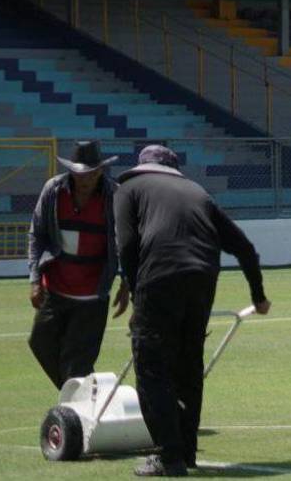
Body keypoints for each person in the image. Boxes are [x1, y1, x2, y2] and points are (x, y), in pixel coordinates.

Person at [115, 145, 271, 477]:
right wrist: (258, 296)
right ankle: (186, 453)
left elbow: (126, 244)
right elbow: (244, 248)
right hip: (202, 280)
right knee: (188, 367)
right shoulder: (198, 192)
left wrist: (135, 290)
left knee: (151, 368)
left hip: (158, 277)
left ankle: (167, 457)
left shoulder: (128, 189)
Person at [28, 140, 129, 389]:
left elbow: (126, 242)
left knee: (78, 362)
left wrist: (126, 282)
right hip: (55, 288)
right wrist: (34, 280)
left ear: (100, 171)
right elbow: (37, 234)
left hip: (92, 296)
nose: (86, 178)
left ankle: (79, 411)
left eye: (92, 172)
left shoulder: (114, 195)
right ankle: (83, 399)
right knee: (39, 343)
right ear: (72, 170)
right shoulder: (53, 190)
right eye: (81, 172)